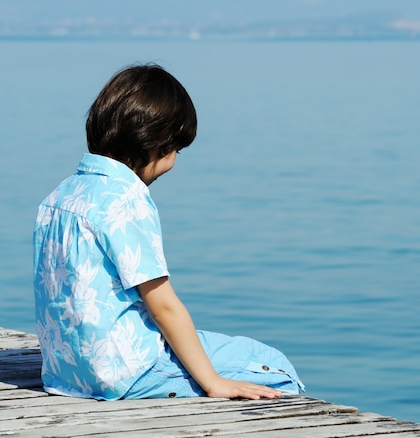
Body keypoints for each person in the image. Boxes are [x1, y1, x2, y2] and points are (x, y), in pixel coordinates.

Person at [33, 64, 304, 401]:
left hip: (67, 373)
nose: (174, 162)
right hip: (127, 371)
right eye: (177, 149)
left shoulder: (58, 198)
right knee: (273, 367)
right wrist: (213, 383)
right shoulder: (126, 201)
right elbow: (163, 306)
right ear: (156, 144)